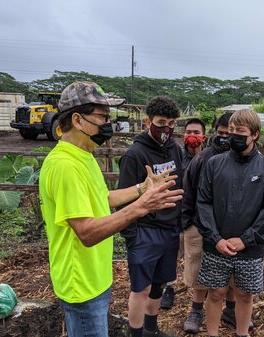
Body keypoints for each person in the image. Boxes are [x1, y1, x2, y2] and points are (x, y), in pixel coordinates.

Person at [39, 82, 183, 337]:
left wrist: (142, 188)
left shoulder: (84, 156)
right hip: (80, 283)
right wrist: (140, 207)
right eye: (103, 117)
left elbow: (102, 198)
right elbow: (86, 232)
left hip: (95, 276)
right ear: (78, 119)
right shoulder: (65, 166)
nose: (109, 123)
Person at [196, 109, 264, 337]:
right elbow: (203, 202)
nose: (233, 135)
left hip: (250, 248)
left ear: (254, 134)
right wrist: (215, 238)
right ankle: (212, 333)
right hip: (217, 244)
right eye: (231, 130)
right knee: (215, 292)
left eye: (240, 131)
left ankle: (242, 333)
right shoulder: (214, 164)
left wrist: (247, 239)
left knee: (245, 294)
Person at [118, 96, 183, 337]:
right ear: (148, 121)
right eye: (161, 122)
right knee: (141, 288)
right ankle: (135, 333)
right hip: (144, 232)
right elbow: (123, 198)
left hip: (170, 230)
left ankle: (151, 328)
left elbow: (181, 185)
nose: (166, 128)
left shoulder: (175, 149)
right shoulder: (134, 154)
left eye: (172, 123)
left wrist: (179, 221)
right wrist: (132, 235)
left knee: (160, 285)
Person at [181, 112, 233, 333]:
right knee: (198, 270)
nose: (224, 138)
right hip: (200, 225)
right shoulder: (203, 159)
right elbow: (188, 191)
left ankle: (231, 309)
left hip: (230, 226)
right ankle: (196, 310)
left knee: (232, 270)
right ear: (214, 132)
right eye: (220, 133)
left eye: (229, 134)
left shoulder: (243, 160)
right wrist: (188, 223)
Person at [160, 117, 206, 310]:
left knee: (196, 259)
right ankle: (169, 288)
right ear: (183, 135)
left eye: (196, 132)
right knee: (170, 256)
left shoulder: (209, 159)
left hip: (197, 219)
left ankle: (197, 302)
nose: (192, 136)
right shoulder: (175, 157)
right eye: (188, 132)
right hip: (175, 216)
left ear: (204, 136)